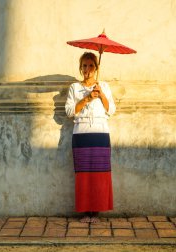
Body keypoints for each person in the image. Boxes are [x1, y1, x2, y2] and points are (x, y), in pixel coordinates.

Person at [65, 52, 116, 223]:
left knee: (100, 174)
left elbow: (111, 110)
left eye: (91, 66)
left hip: (100, 132)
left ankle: (96, 212)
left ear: (96, 68)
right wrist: (87, 98)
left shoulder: (104, 86)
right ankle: (85, 212)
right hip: (81, 132)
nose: (87, 69)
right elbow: (70, 111)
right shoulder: (74, 87)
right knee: (84, 175)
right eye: (84, 66)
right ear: (81, 68)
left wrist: (100, 94)